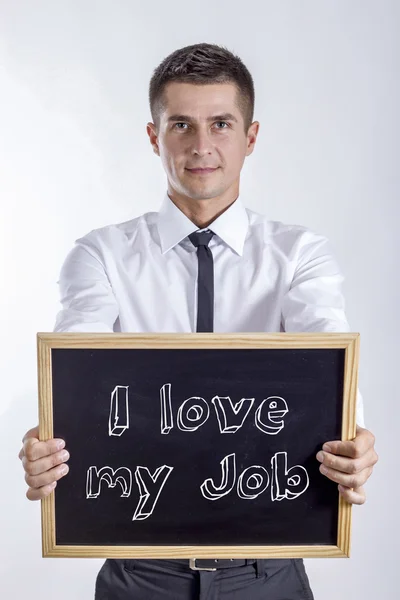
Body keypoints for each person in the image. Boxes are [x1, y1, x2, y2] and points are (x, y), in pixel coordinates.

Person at [18, 43, 378, 600]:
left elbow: (328, 361)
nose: (201, 145)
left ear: (251, 137)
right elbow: (74, 378)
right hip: (141, 575)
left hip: (268, 574)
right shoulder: (101, 256)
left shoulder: (300, 255)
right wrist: (49, 441)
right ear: (153, 136)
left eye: (221, 124)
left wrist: (355, 440)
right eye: (181, 124)